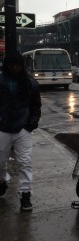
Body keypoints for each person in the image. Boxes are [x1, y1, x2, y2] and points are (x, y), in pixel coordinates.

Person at [0, 50, 42, 210]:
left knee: (25, 162)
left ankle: (26, 195)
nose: (15, 68)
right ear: (7, 65)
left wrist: (31, 124)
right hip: (3, 128)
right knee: (0, 161)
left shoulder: (30, 83)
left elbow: (36, 106)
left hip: (22, 129)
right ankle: (2, 180)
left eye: (18, 65)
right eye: (12, 65)